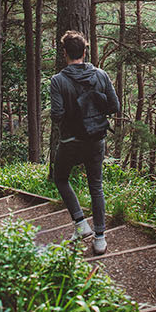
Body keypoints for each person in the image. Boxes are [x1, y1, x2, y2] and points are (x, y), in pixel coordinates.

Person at [48, 29, 119, 253]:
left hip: (70, 141)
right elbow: (114, 107)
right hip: (97, 139)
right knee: (96, 186)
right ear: (85, 51)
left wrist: (73, 117)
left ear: (65, 53)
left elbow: (57, 115)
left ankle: (80, 224)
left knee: (60, 178)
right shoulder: (101, 75)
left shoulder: (58, 81)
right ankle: (100, 239)